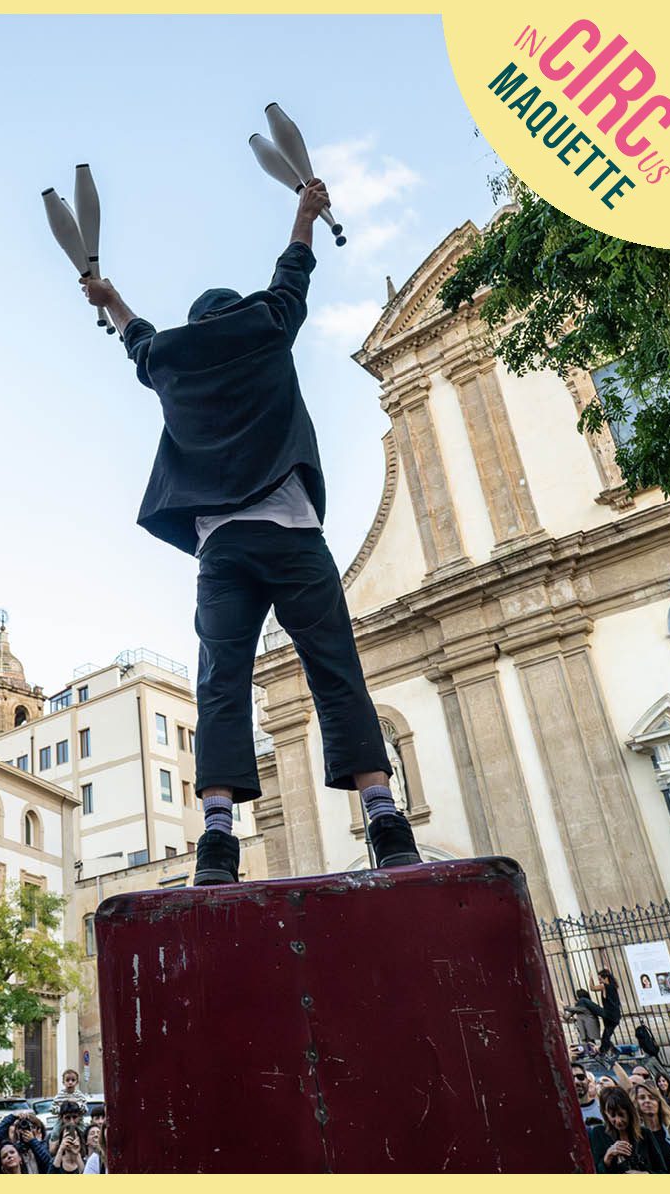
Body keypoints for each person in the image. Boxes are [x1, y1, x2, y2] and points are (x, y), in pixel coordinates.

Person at [80, 179, 423, 885]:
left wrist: (109, 297)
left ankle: (215, 838)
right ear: (237, 311)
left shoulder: (170, 358)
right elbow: (293, 270)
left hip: (223, 552)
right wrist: (305, 211)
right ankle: (384, 815)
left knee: (222, 683)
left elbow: (136, 336)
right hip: (292, 534)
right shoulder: (266, 325)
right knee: (334, 668)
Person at [589, 1086, 651, 1173]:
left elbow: (663, 1170)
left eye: (621, 1114)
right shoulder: (598, 1133)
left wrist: (645, 1174)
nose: (618, 1121)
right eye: (613, 1116)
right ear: (606, 1114)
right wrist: (608, 1156)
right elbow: (594, 1172)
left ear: (629, 1111)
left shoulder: (645, 1133)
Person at [632, 1081, 670, 1173]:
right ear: (636, 1103)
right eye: (642, 1097)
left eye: (652, 1097)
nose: (647, 1101)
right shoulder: (634, 1136)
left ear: (659, 1102)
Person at [590, 968, 622, 1061]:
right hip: (614, 1015)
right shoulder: (613, 986)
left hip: (610, 1015)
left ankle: (604, 1053)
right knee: (606, 1036)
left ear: (605, 978)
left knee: (606, 1036)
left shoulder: (604, 986)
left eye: (600, 979)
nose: (599, 981)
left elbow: (592, 988)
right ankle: (608, 1051)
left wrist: (590, 978)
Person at [571, 1061, 603, 1128]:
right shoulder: (562, 1114)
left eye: (581, 1077)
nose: (576, 1081)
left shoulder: (604, 1109)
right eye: (571, 1078)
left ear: (588, 1081)